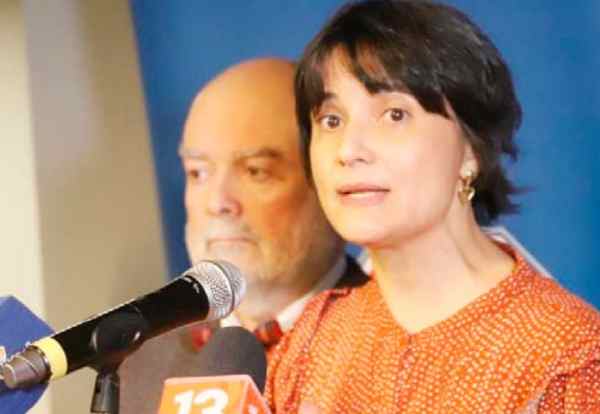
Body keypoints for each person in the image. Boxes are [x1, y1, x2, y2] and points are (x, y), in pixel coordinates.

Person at [265, 1, 600, 412]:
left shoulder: (566, 358)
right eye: (331, 121)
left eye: (394, 115)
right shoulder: (313, 341)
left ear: (471, 150)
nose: (348, 150)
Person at [118, 58, 367, 413]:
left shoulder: (395, 338)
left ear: (333, 183)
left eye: (256, 172)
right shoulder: (144, 357)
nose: (219, 203)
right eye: (198, 173)